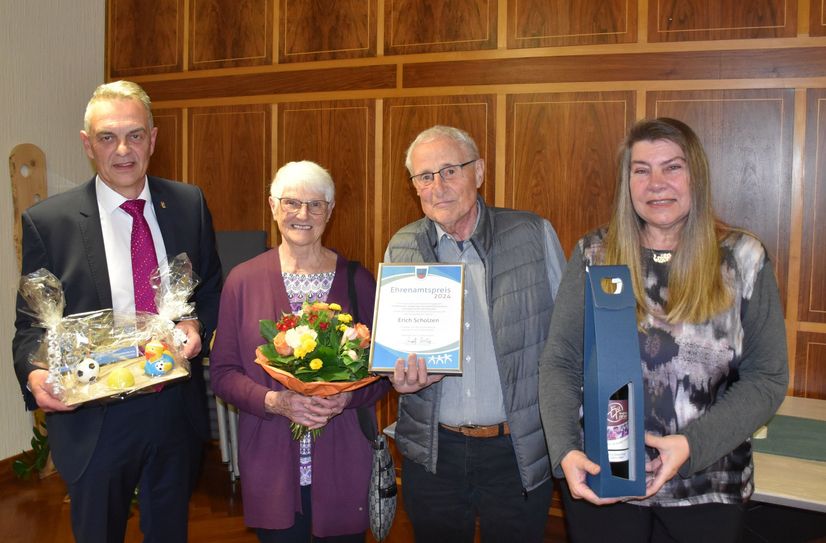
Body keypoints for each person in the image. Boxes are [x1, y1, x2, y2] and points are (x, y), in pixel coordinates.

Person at [538, 117, 789, 542]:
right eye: (641, 170)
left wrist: (691, 445)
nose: (657, 183)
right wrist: (565, 448)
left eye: (672, 167)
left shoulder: (743, 258)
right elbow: (561, 361)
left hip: (707, 485)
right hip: (604, 478)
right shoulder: (594, 254)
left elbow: (767, 378)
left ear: (697, 176)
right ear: (627, 182)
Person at [12, 80, 222, 542]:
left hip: (172, 408)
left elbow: (210, 291)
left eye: (135, 135)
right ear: (88, 145)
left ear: (154, 137)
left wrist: (194, 324)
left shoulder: (189, 203)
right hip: (95, 419)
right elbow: (30, 327)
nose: (123, 149)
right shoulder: (49, 222)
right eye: (107, 137)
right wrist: (34, 376)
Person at [385, 125, 567, 542]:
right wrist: (395, 376)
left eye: (450, 170)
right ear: (414, 186)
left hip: (516, 449)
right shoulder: (403, 244)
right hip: (433, 451)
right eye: (425, 176)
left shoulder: (532, 234)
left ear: (479, 172)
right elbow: (394, 346)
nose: (438, 186)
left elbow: (568, 340)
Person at [208, 160, 390, 542]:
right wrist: (276, 401)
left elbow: (382, 374)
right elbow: (224, 374)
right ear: (273, 207)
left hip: (343, 462)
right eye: (291, 203)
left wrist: (346, 397)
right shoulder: (242, 281)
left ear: (330, 211)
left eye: (315, 204)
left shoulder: (358, 281)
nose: (302, 215)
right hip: (271, 464)